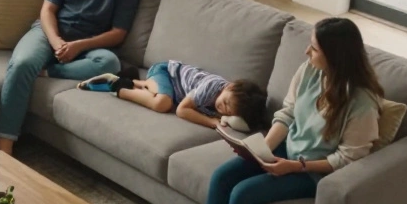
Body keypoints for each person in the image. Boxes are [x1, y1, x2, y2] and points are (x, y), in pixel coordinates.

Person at [181, 17, 384, 204]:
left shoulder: (361, 102)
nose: (306, 53)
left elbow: (348, 158)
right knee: (222, 177)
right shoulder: (309, 71)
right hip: (288, 150)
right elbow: (287, 116)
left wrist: (295, 167)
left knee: (244, 193)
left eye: (313, 48)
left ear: (335, 55)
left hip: (316, 171)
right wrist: (261, 150)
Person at [0, 0, 142, 154]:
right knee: (21, 64)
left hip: (88, 46)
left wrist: (78, 46)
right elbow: (47, 10)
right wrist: (56, 42)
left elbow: (118, 33)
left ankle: (48, 71)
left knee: (109, 62)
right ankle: (4, 149)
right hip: (51, 32)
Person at [80, 61, 268, 132]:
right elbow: (182, 110)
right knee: (163, 103)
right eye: (225, 102)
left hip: (170, 87)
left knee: (161, 97)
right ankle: (117, 86)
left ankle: (134, 80)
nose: (222, 108)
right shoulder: (212, 88)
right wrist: (212, 123)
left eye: (229, 110)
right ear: (230, 85)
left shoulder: (227, 102)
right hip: (166, 73)